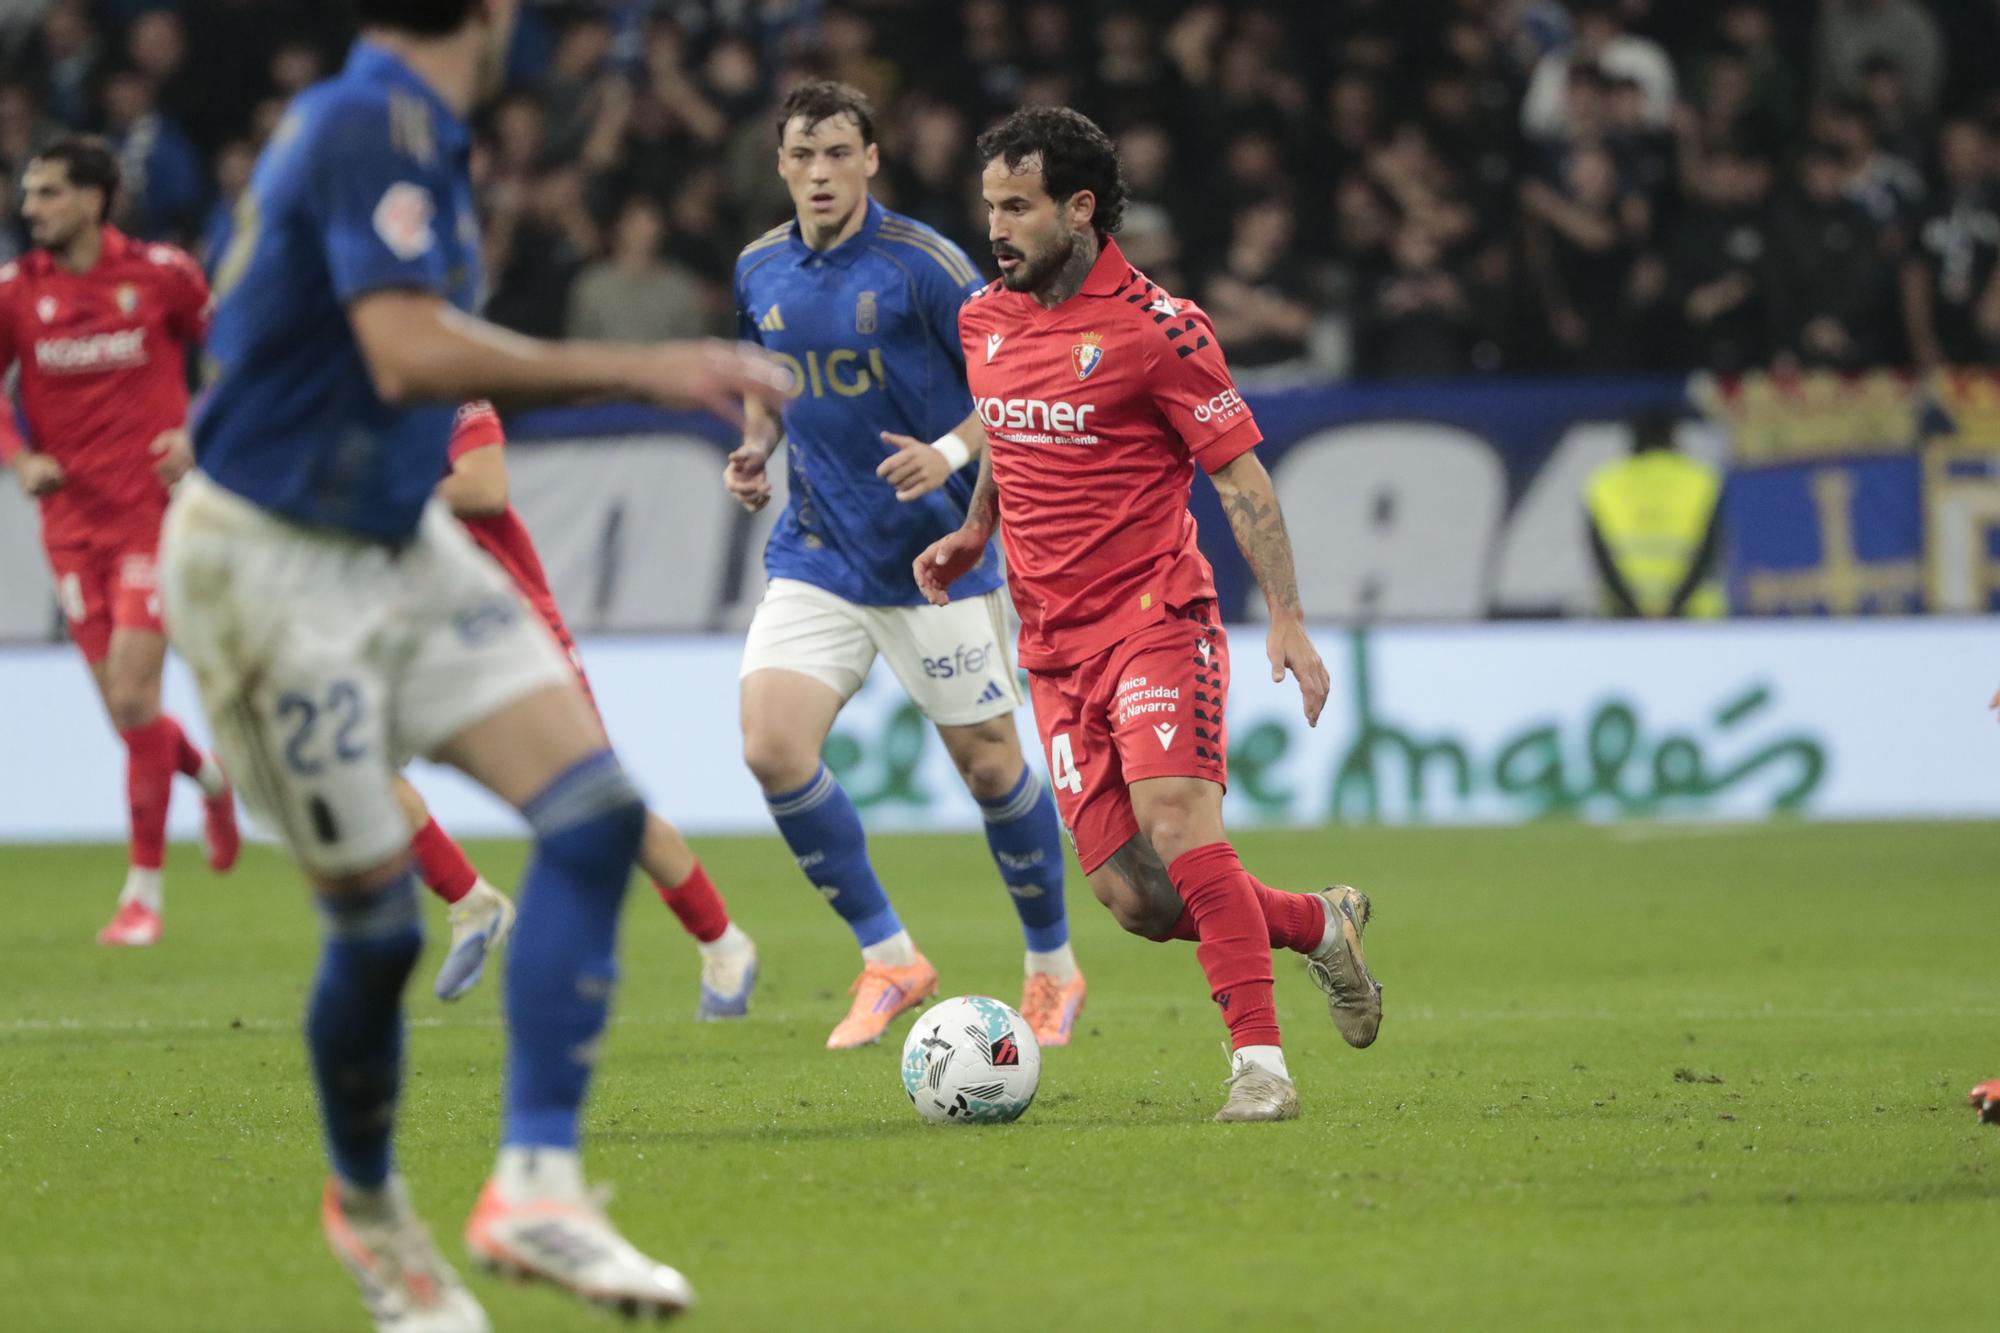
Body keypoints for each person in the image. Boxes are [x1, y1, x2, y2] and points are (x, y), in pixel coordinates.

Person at [159, 3, 789, 1328]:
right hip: (269, 565)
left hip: (390, 538)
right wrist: (642, 364)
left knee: (596, 813)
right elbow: (401, 352)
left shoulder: (404, 129)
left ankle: (536, 1188)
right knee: (380, 933)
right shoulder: (371, 124)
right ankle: (374, 1214)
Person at [912, 107, 1383, 1123]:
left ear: (1079, 209)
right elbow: (1004, 425)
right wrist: (971, 526)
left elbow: (1239, 476)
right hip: (1049, 644)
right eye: (987, 205)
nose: (994, 227)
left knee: (1177, 823)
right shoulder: (983, 318)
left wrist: (1287, 618)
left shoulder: (1158, 329)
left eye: (1016, 207)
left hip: (1154, 616)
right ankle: (1317, 925)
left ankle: (1258, 1065)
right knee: (1137, 898)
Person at [725, 81, 1082, 1051]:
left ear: (871, 159)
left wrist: (951, 456)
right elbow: (767, 381)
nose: (820, 173)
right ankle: (889, 956)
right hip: (818, 554)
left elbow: (1011, 377)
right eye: (803, 156)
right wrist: (756, 445)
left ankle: (1051, 966)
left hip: (934, 560)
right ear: (782, 165)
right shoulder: (759, 267)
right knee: (770, 746)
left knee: (991, 769)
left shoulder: (925, 265)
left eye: (839, 153)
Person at [406, 400, 759, 1018]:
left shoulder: (453, 397)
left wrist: (370, 495)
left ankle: (723, 941)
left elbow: (485, 487)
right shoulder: (339, 406)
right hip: (410, 634)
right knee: (349, 768)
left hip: (509, 633)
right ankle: (471, 902)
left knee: (601, 805)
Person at [0, 134, 238, 948]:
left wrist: (199, 434)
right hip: (69, 527)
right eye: (30, 194)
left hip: (153, 515)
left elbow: (234, 359)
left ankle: (142, 896)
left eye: (49, 193)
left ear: (95, 200)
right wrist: (19, 454)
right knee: (125, 713)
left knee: (135, 698)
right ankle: (209, 778)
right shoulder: (14, 293)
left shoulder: (164, 276)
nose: (31, 208)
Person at [1584, 410, 1725, 619]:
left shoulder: (1604, 483)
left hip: (1624, 615)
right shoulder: (1702, 479)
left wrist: (1634, 606)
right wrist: (1673, 605)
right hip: (1693, 616)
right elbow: (1710, 550)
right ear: (1674, 436)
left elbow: (1600, 556)